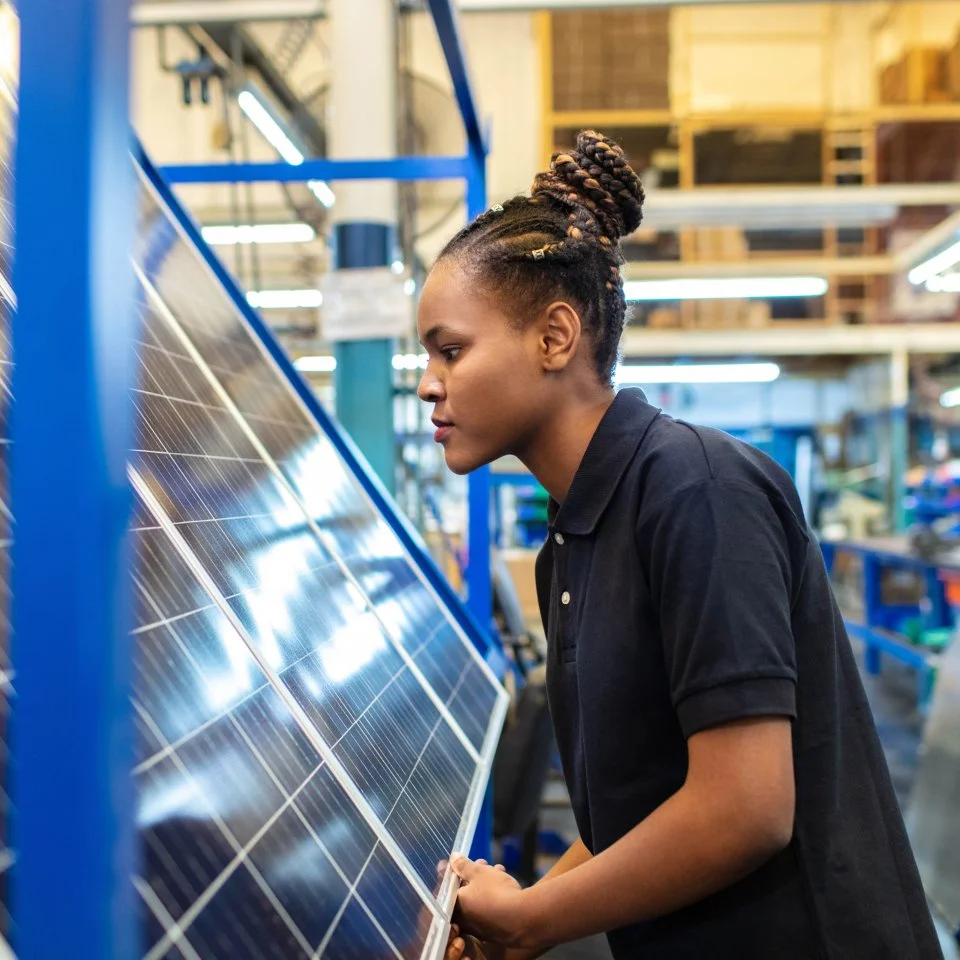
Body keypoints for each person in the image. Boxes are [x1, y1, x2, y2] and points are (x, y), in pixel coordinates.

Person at [415, 131, 943, 960]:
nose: (427, 382)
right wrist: (525, 918)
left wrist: (540, 919)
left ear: (555, 339)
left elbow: (746, 808)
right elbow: (644, 808)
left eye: (450, 349)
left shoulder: (696, 491)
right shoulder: (575, 544)